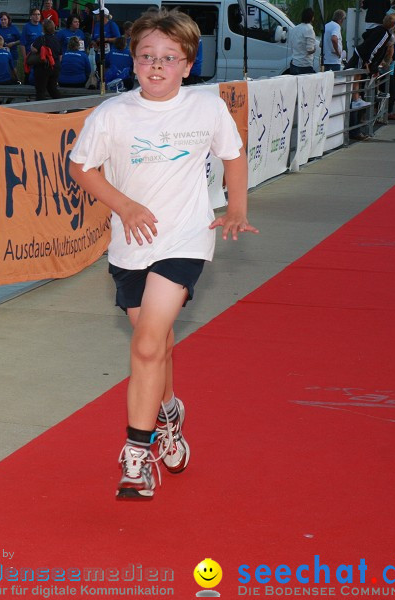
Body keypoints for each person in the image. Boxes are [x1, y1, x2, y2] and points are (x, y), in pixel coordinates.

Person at [68, 8, 257, 500]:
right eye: (147, 56)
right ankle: (169, 412)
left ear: (188, 65)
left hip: (186, 239)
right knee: (157, 340)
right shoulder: (112, 114)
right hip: (130, 245)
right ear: (132, 62)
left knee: (149, 345)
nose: (157, 66)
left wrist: (235, 207)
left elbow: (233, 157)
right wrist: (125, 206)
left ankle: (137, 454)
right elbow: (81, 169)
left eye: (169, 58)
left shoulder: (207, 108)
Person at [30, 19, 63, 99]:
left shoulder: (41, 39)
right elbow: (60, 55)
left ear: (43, 29)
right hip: (55, 67)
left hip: (43, 67)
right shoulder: (57, 39)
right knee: (52, 89)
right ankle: (62, 106)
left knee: (40, 90)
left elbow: (34, 50)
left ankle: (41, 109)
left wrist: (31, 46)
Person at [288, 8, 318, 74]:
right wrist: (315, 49)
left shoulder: (295, 28)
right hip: (305, 65)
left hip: (294, 63)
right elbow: (310, 50)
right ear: (312, 18)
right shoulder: (309, 29)